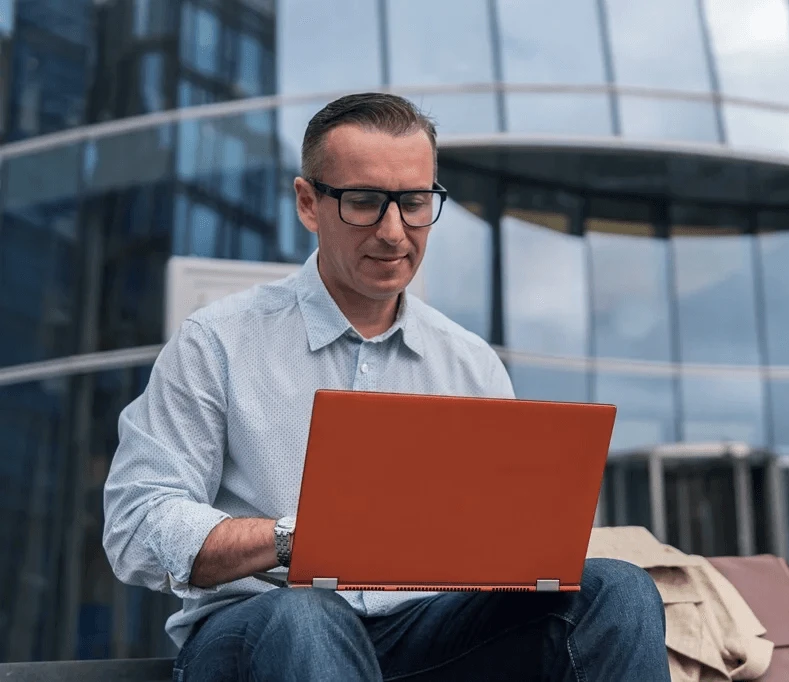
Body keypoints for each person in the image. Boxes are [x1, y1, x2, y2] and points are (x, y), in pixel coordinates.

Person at [102, 92, 671, 681]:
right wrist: (296, 538)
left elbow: (504, 549)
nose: (395, 232)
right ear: (308, 203)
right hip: (259, 635)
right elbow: (136, 524)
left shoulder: (471, 363)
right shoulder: (215, 342)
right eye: (366, 202)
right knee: (307, 613)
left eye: (415, 202)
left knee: (618, 590)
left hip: (427, 634)